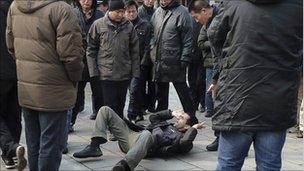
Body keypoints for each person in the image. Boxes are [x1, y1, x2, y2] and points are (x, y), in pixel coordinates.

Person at [194, 0, 302, 170]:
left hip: (237, 99)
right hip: (276, 101)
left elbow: (214, 35)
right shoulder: (297, 6)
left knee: (228, 164)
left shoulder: (232, 3)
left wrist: (223, 68)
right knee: (269, 166)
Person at [6, 0, 84, 170]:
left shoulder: (15, 6)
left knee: (33, 143)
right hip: (55, 88)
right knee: (51, 145)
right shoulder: (62, 9)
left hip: (28, 86)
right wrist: (74, 78)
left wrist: (28, 69)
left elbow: (11, 46)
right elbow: (72, 55)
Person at [73, 106, 204, 170]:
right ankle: (94, 146)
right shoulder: (167, 124)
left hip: (146, 145)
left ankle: (125, 166)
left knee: (146, 134)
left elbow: (186, 144)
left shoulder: (180, 137)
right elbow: (153, 117)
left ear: (187, 127)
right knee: (105, 110)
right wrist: (171, 113)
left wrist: (194, 128)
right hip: (132, 136)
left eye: (182, 118)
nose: (178, 118)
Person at [86, 0, 140, 120]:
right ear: (110, 11)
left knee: (120, 104)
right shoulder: (98, 25)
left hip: (124, 73)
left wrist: (135, 73)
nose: (121, 15)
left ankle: (118, 128)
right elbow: (91, 50)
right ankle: (113, 128)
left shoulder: (128, 26)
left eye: (122, 12)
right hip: (105, 74)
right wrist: (93, 72)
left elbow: (135, 51)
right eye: (118, 12)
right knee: (110, 105)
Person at [150, 0, 198, 125]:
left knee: (182, 91)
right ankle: (161, 119)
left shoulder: (183, 12)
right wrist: (151, 49)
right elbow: (152, 33)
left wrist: (185, 58)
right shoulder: (158, 12)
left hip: (176, 60)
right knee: (161, 92)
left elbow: (189, 39)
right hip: (159, 60)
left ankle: (191, 117)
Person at [70, 0, 105, 132]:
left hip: (97, 60)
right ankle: (70, 122)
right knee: (77, 94)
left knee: (99, 94)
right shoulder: (72, 14)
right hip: (80, 60)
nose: (86, 1)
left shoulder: (100, 15)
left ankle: (103, 122)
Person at [0, 1, 27, 170]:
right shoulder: (19, 8)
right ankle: (11, 154)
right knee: (14, 113)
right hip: (19, 70)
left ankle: (11, 147)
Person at [190, 0, 219, 151]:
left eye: (196, 17)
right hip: (216, 65)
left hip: (228, 68)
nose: (196, 21)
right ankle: (220, 137)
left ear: (204, 11)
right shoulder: (208, 23)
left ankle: (226, 139)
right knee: (217, 102)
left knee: (222, 103)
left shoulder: (221, 18)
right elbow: (201, 41)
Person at [125, 0, 152, 122]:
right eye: (129, 12)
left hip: (139, 63)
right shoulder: (122, 25)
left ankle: (131, 116)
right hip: (124, 64)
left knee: (135, 90)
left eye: (133, 11)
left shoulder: (145, 25)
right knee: (135, 90)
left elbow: (148, 46)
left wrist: (144, 62)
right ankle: (139, 111)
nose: (131, 14)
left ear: (137, 11)